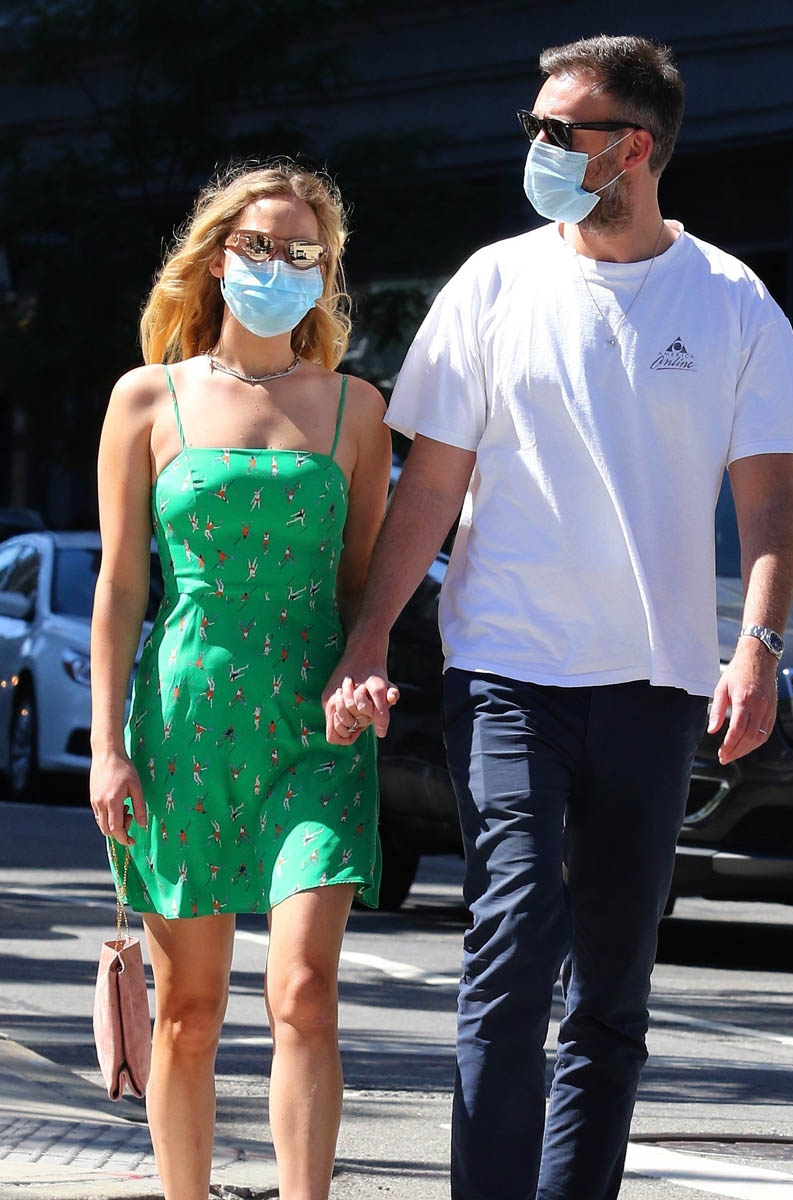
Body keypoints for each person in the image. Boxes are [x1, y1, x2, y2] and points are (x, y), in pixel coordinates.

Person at [322, 34, 793, 1200]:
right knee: (511, 943)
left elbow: (768, 505)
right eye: (535, 126)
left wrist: (757, 650)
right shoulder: (493, 284)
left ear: (633, 148)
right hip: (505, 672)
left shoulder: (732, 301)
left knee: (611, 986)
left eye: (561, 130)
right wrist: (368, 638)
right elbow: (430, 489)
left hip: (656, 685)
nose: (539, 146)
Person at [90, 161, 391, 1200]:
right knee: (191, 1011)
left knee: (303, 992)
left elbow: (362, 586)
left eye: (303, 251)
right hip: (183, 726)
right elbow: (121, 586)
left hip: (315, 734)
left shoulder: (357, 410)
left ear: (325, 271)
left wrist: (367, 668)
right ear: (218, 258)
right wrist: (107, 746)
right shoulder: (147, 398)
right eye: (258, 245)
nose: (278, 265)